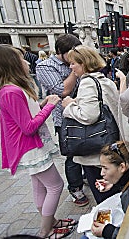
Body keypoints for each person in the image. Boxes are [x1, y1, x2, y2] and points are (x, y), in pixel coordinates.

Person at [0, 44, 76, 238]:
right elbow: (29, 127)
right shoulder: (11, 92)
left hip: (32, 146)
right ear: (12, 64)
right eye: (21, 58)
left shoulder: (14, 89)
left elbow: (24, 116)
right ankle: (45, 230)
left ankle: (51, 221)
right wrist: (49, 106)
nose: (26, 61)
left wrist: (41, 104)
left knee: (40, 186)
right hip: (30, 147)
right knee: (55, 186)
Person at [62, 45, 120, 204]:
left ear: (84, 63)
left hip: (94, 151)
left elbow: (89, 115)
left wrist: (69, 105)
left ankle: (109, 224)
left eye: (73, 63)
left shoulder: (87, 82)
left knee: (103, 195)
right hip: (110, 144)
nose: (70, 66)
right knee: (114, 191)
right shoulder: (105, 80)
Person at [36, 34, 89, 207]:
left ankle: (86, 176)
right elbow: (62, 90)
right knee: (72, 155)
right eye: (71, 55)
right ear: (60, 51)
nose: (74, 58)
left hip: (83, 113)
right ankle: (75, 188)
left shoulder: (74, 62)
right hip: (64, 119)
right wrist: (76, 70)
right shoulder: (45, 66)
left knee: (88, 148)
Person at [89, 139, 129, 238]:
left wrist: (107, 231)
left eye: (105, 168)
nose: (101, 173)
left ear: (122, 167)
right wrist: (114, 184)